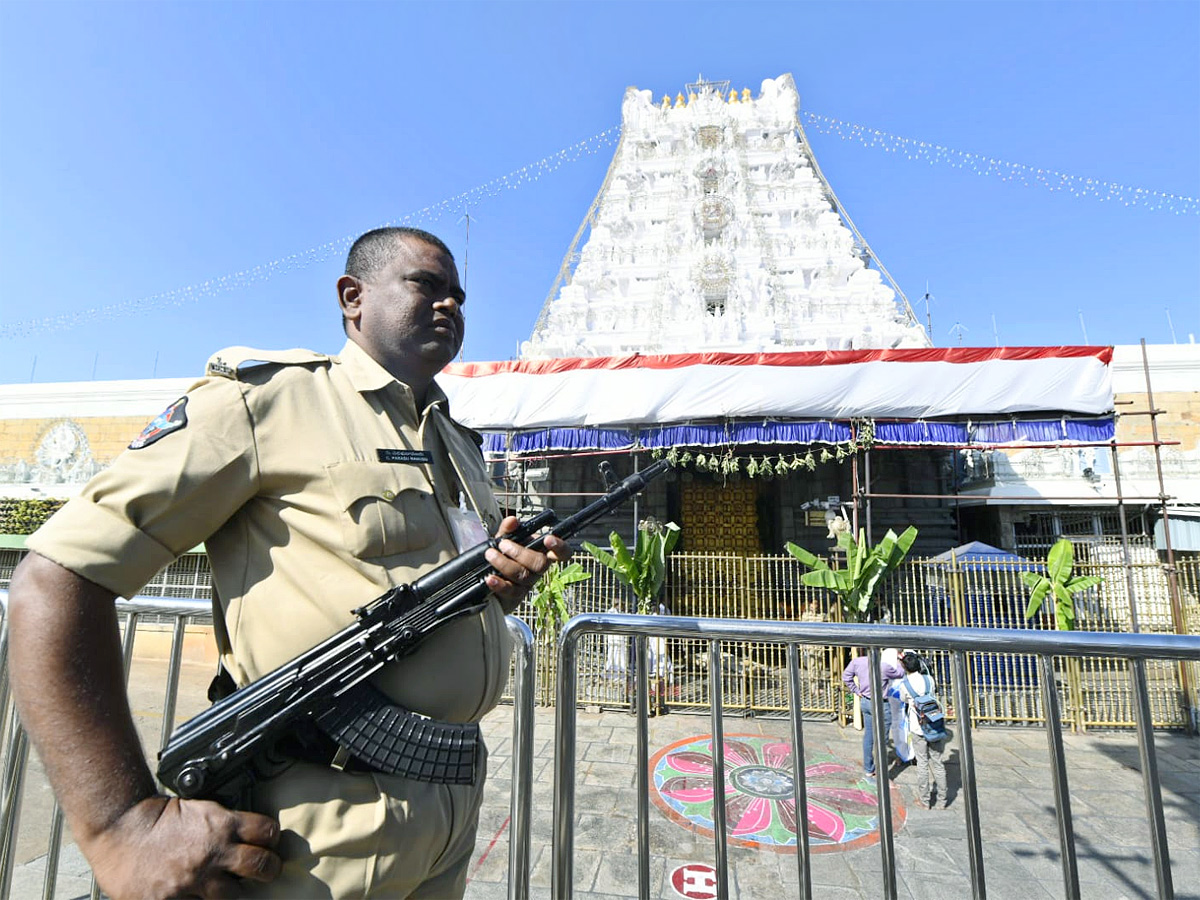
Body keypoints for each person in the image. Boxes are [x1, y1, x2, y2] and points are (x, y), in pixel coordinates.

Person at [6, 226, 571, 899]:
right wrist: (121, 825)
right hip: (314, 829)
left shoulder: (458, 443)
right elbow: (57, 577)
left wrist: (500, 589)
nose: (450, 305)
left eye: (459, 296)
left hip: (449, 812)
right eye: (426, 285)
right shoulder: (267, 402)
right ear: (352, 297)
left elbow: (415, 589)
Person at [896, 650, 949, 809]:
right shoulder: (929, 679)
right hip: (934, 724)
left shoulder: (905, 684)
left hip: (918, 726)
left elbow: (903, 699)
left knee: (922, 764)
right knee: (938, 763)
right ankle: (942, 800)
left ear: (905, 667)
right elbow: (934, 691)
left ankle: (925, 801)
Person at [842, 649, 905, 778]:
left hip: (866, 701)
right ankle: (881, 769)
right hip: (881, 703)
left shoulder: (857, 662)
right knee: (882, 739)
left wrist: (856, 690)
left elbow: (846, 677)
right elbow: (901, 674)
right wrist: (899, 660)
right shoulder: (884, 666)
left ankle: (869, 768)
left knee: (869, 736)